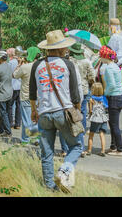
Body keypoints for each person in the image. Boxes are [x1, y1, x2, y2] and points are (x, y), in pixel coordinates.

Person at [30, 30, 82, 193]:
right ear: (60, 49)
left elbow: (32, 92)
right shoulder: (67, 64)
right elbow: (75, 94)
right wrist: (77, 112)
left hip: (44, 114)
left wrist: (34, 111)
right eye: (65, 48)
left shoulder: (37, 65)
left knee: (47, 152)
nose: (66, 50)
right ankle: (64, 173)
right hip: (63, 111)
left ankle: (49, 188)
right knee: (76, 146)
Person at [68, 43, 96, 157]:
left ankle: (72, 141)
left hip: (71, 92)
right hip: (84, 91)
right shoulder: (87, 62)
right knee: (82, 114)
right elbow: (92, 77)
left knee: (72, 115)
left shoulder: (69, 62)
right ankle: (81, 137)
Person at [99, 45, 122, 156]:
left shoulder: (109, 68)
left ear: (105, 57)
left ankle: (119, 149)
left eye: (101, 56)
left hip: (114, 98)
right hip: (120, 97)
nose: (100, 58)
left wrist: (105, 92)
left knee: (114, 125)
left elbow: (112, 85)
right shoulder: (115, 66)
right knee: (113, 123)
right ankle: (113, 146)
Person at [13, 47, 41, 144]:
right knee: (36, 119)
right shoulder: (40, 66)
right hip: (38, 96)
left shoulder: (25, 67)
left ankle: (26, 139)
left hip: (26, 96)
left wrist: (19, 65)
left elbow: (14, 75)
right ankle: (35, 138)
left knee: (26, 119)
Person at [86, 82, 109, 157]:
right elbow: (106, 108)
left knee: (91, 135)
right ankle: (102, 151)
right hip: (103, 118)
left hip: (95, 118)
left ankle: (89, 150)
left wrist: (89, 116)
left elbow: (90, 110)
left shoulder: (91, 99)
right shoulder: (104, 98)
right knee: (102, 134)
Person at [7, 48, 22, 129]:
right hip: (19, 86)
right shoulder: (20, 62)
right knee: (18, 106)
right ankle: (18, 124)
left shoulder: (10, 63)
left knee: (10, 105)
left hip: (12, 86)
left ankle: (10, 123)